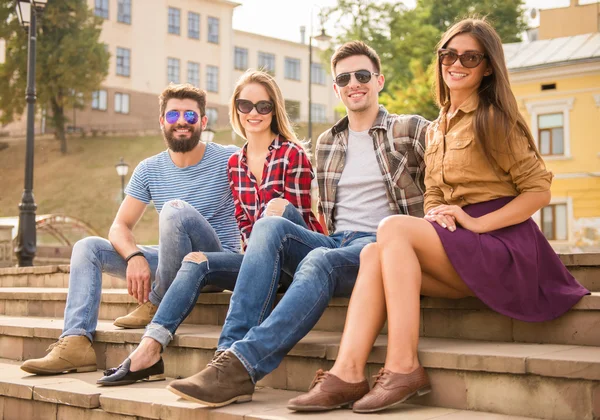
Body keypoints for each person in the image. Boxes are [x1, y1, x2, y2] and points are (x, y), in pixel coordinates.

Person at [288, 18, 590, 414]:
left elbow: (539, 191)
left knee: (390, 227)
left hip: (503, 245)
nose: (456, 62)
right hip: (462, 245)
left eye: (470, 56)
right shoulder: (438, 125)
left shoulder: (495, 119)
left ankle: (403, 367)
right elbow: (433, 190)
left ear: (486, 67)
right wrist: (434, 212)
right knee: (371, 254)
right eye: (448, 54)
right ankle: (347, 374)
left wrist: (477, 222)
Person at [165, 41, 429, 408]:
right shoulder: (328, 142)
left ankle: (242, 366)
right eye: (344, 78)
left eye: (363, 75)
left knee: (317, 260)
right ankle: (224, 358)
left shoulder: (408, 128)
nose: (354, 83)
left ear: (379, 80)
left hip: (381, 247)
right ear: (335, 88)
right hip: (335, 240)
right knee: (268, 226)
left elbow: (456, 154)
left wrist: (449, 213)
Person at [96, 69, 324, 386]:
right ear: (236, 110)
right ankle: (148, 351)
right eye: (246, 106)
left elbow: (298, 227)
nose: (254, 113)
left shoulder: (291, 154)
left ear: (274, 110)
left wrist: (279, 212)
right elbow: (245, 229)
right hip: (256, 262)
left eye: (263, 106)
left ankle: (225, 358)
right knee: (196, 260)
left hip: (294, 262)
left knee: (277, 213)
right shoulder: (236, 163)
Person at [21, 83, 240, 375]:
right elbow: (120, 226)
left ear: (203, 121)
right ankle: (75, 342)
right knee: (87, 247)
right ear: (162, 121)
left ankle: (157, 301)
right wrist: (134, 256)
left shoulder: (229, 158)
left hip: (215, 263)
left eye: (190, 115)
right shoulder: (149, 169)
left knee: (175, 210)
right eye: (173, 115)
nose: (182, 122)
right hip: (172, 264)